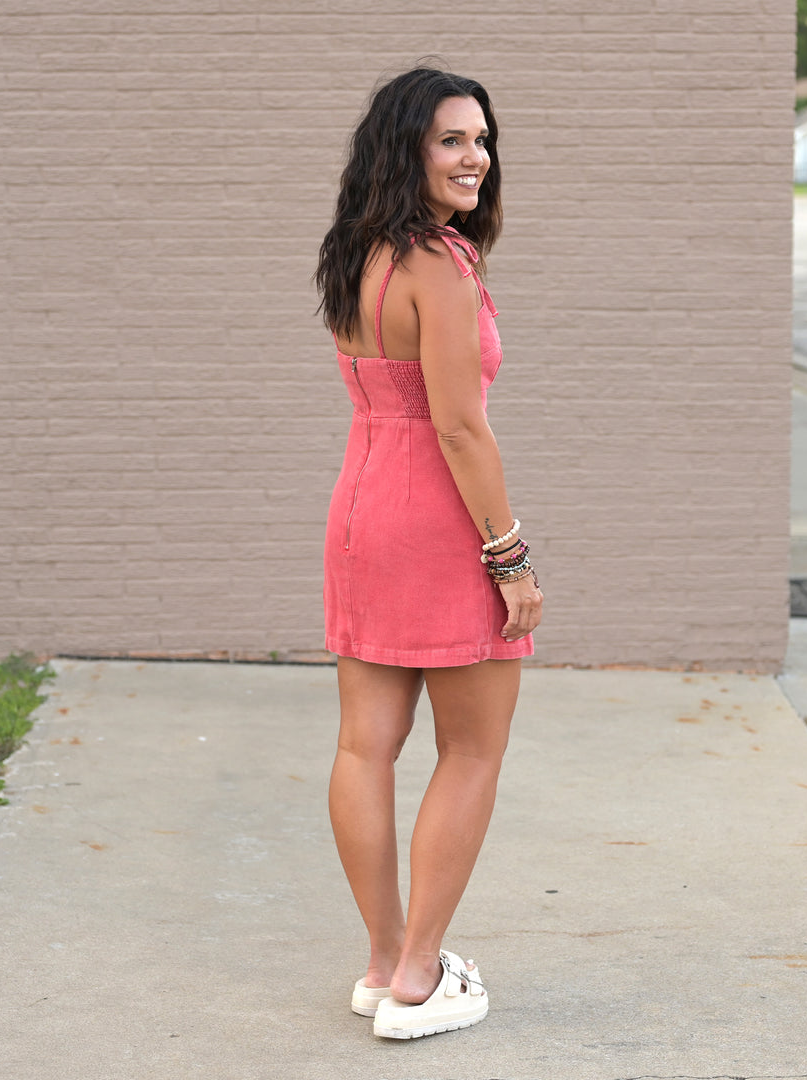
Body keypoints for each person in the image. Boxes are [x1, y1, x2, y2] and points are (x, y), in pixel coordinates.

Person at [315, 66, 543, 1040]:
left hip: (362, 512)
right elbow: (459, 428)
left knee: (366, 745)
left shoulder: (358, 254)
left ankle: (379, 962)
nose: (475, 157)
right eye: (452, 139)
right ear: (407, 147)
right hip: (438, 522)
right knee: (474, 746)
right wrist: (509, 556)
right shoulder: (438, 264)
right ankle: (418, 976)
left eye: (482, 140)